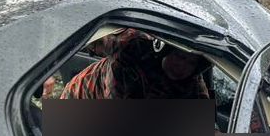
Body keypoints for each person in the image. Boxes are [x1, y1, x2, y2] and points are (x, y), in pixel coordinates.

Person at [61, 29, 210, 100]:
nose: (182, 66)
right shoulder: (130, 54)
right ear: (165, 50)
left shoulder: (193, 81)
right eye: (179, 56)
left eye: (191, 63)